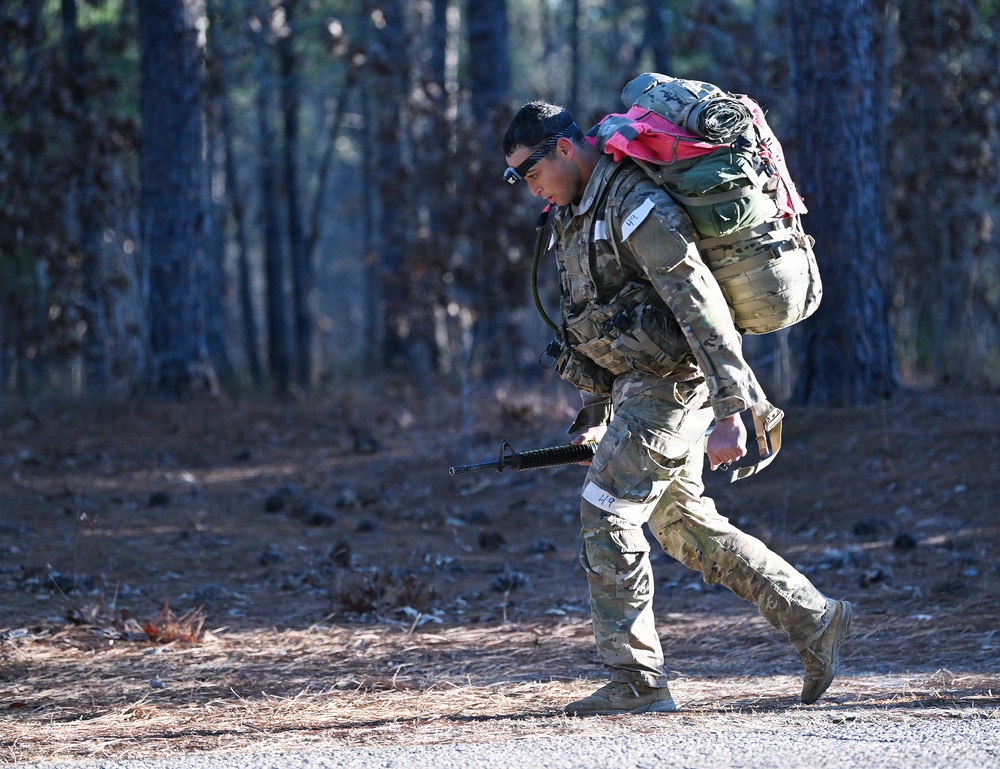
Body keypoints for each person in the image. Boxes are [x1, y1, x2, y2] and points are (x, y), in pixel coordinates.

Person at [501, 100, 852, 716]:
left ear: (563, 147)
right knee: (682, 527)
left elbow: (699, 303)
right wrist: (595, 410)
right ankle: (814, 619)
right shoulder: (572, 213)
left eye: (531, 173)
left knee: (606, 512)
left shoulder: (634, 202)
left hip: (675, 382)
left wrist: (730, 408)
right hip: (639, 387)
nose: (532, 190)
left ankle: (637, 680)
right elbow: (590, 317)